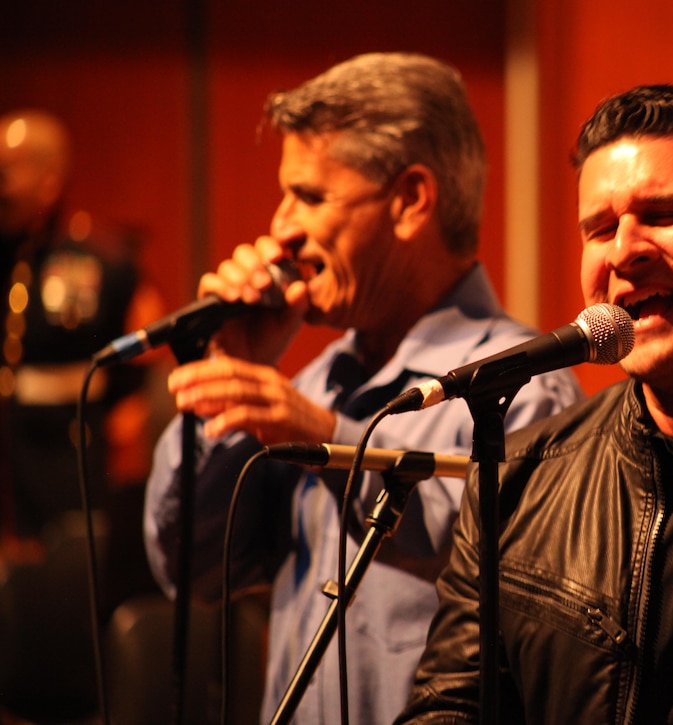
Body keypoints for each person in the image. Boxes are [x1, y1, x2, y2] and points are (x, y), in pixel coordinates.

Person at [143, 52, 582, 724]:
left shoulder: (520, 386)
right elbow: (193, 570)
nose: (281, 226)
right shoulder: (315, 383)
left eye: (311, 196)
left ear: (409, 199)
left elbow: (500, 582)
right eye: (285, 193)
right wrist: (229, 377)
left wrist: (327, 437)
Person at [396, 85, 673, 725]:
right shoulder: (518, 478)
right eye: (600, 228)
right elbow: (452, 707)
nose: (623, 251)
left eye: (663, 214)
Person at [0, 108, 167, 722]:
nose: (0, 184)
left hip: (70, 445)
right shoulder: (8, 254)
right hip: (12, 443)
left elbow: (149, 344)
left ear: (48, 179)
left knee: (67, 578)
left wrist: (126, 415)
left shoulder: (99, 258)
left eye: (10, 170)